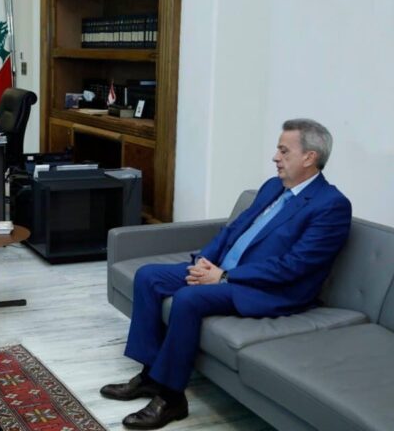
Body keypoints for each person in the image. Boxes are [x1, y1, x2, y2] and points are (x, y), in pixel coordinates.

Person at [100, 119, 352, 429]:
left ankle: (171, 398)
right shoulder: (273, 186)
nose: (275, 157)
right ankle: (151, 375)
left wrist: (225, 277)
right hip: (222, 271)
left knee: (189, 298)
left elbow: (294, 266)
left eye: (284, 151)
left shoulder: (331, 205)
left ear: (309, 157)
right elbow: (232, 229)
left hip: (268, 290)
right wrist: (204, 261)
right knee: (148, 277)